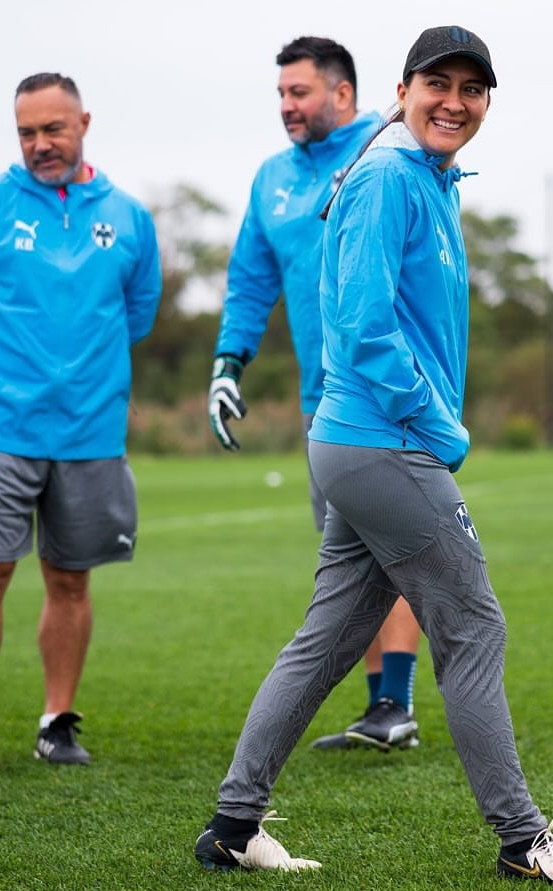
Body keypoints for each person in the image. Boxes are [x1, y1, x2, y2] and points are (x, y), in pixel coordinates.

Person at [193, 26, 553, 885]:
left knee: (325, 641)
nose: (455, 101)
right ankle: (522, 840)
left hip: (357, 444)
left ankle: (233, 825)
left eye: (473, 89)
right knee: (472, 627)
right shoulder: (390, 175)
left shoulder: (422, 172)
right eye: (439, 83)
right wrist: (439, 424)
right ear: (404, 88)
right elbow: (361, 326)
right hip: (383, 441)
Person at [207, 36, 422, 752]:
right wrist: (227, 363)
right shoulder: (272, 179)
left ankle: (397, 700)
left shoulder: (390, 148)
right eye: (280, 95)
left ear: (343, 93)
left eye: (299, 93)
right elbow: (248, 279)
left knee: (402, 550)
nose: (287, 107)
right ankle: (382, 708)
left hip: (391, 392)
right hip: (320, 398)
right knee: (347, 551)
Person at [0, 73, 161, 774]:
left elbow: (135, 312)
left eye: (52, 129)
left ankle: (57, 722)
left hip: (89, 430)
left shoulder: (128, 215)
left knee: (71, 579)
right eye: (26, 132)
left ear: (83, 121)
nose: (39, 144)